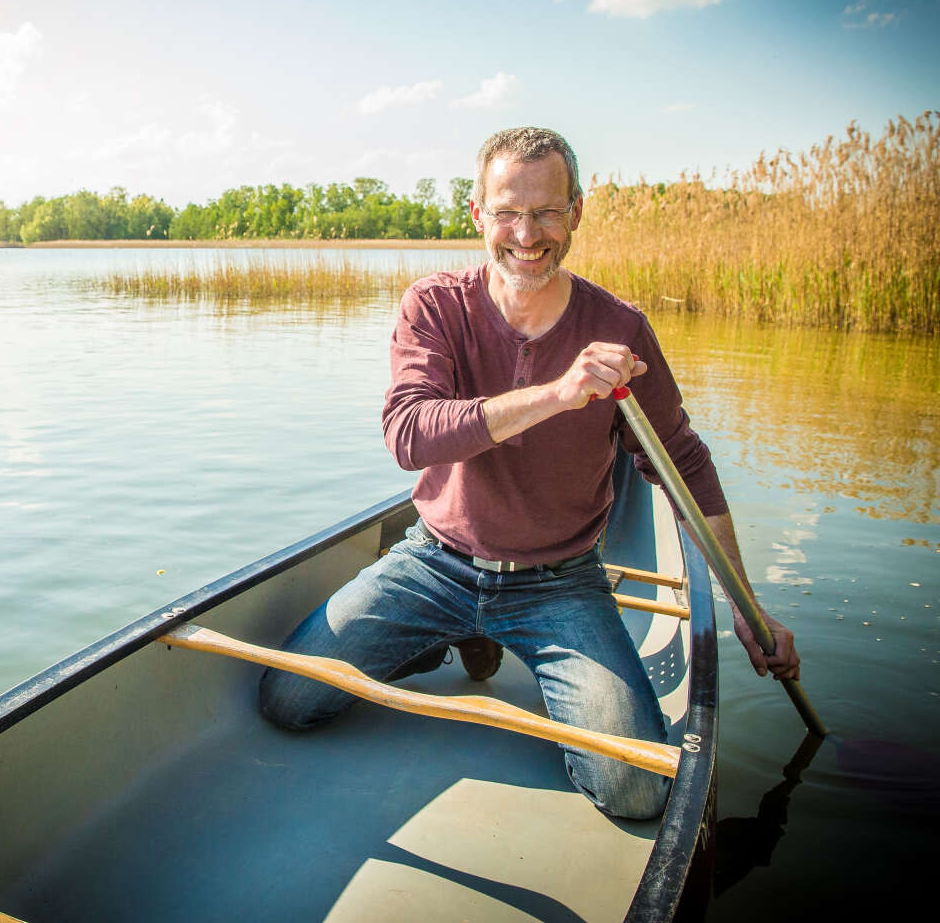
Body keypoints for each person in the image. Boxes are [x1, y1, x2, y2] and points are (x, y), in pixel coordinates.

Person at [258, 126, 800, 820]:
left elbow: (682, 460)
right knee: (287, 700)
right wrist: (557, 394)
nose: (527, 233)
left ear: (576, 212)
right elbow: (409, 434)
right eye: (508, 212)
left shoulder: (621, 329)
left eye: (547, 212)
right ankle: (454, 634)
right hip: (434, 563)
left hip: (560, 581)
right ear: (478, 214)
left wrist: (745, 607)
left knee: (636, 792)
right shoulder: (435, 305)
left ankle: (516, 647)